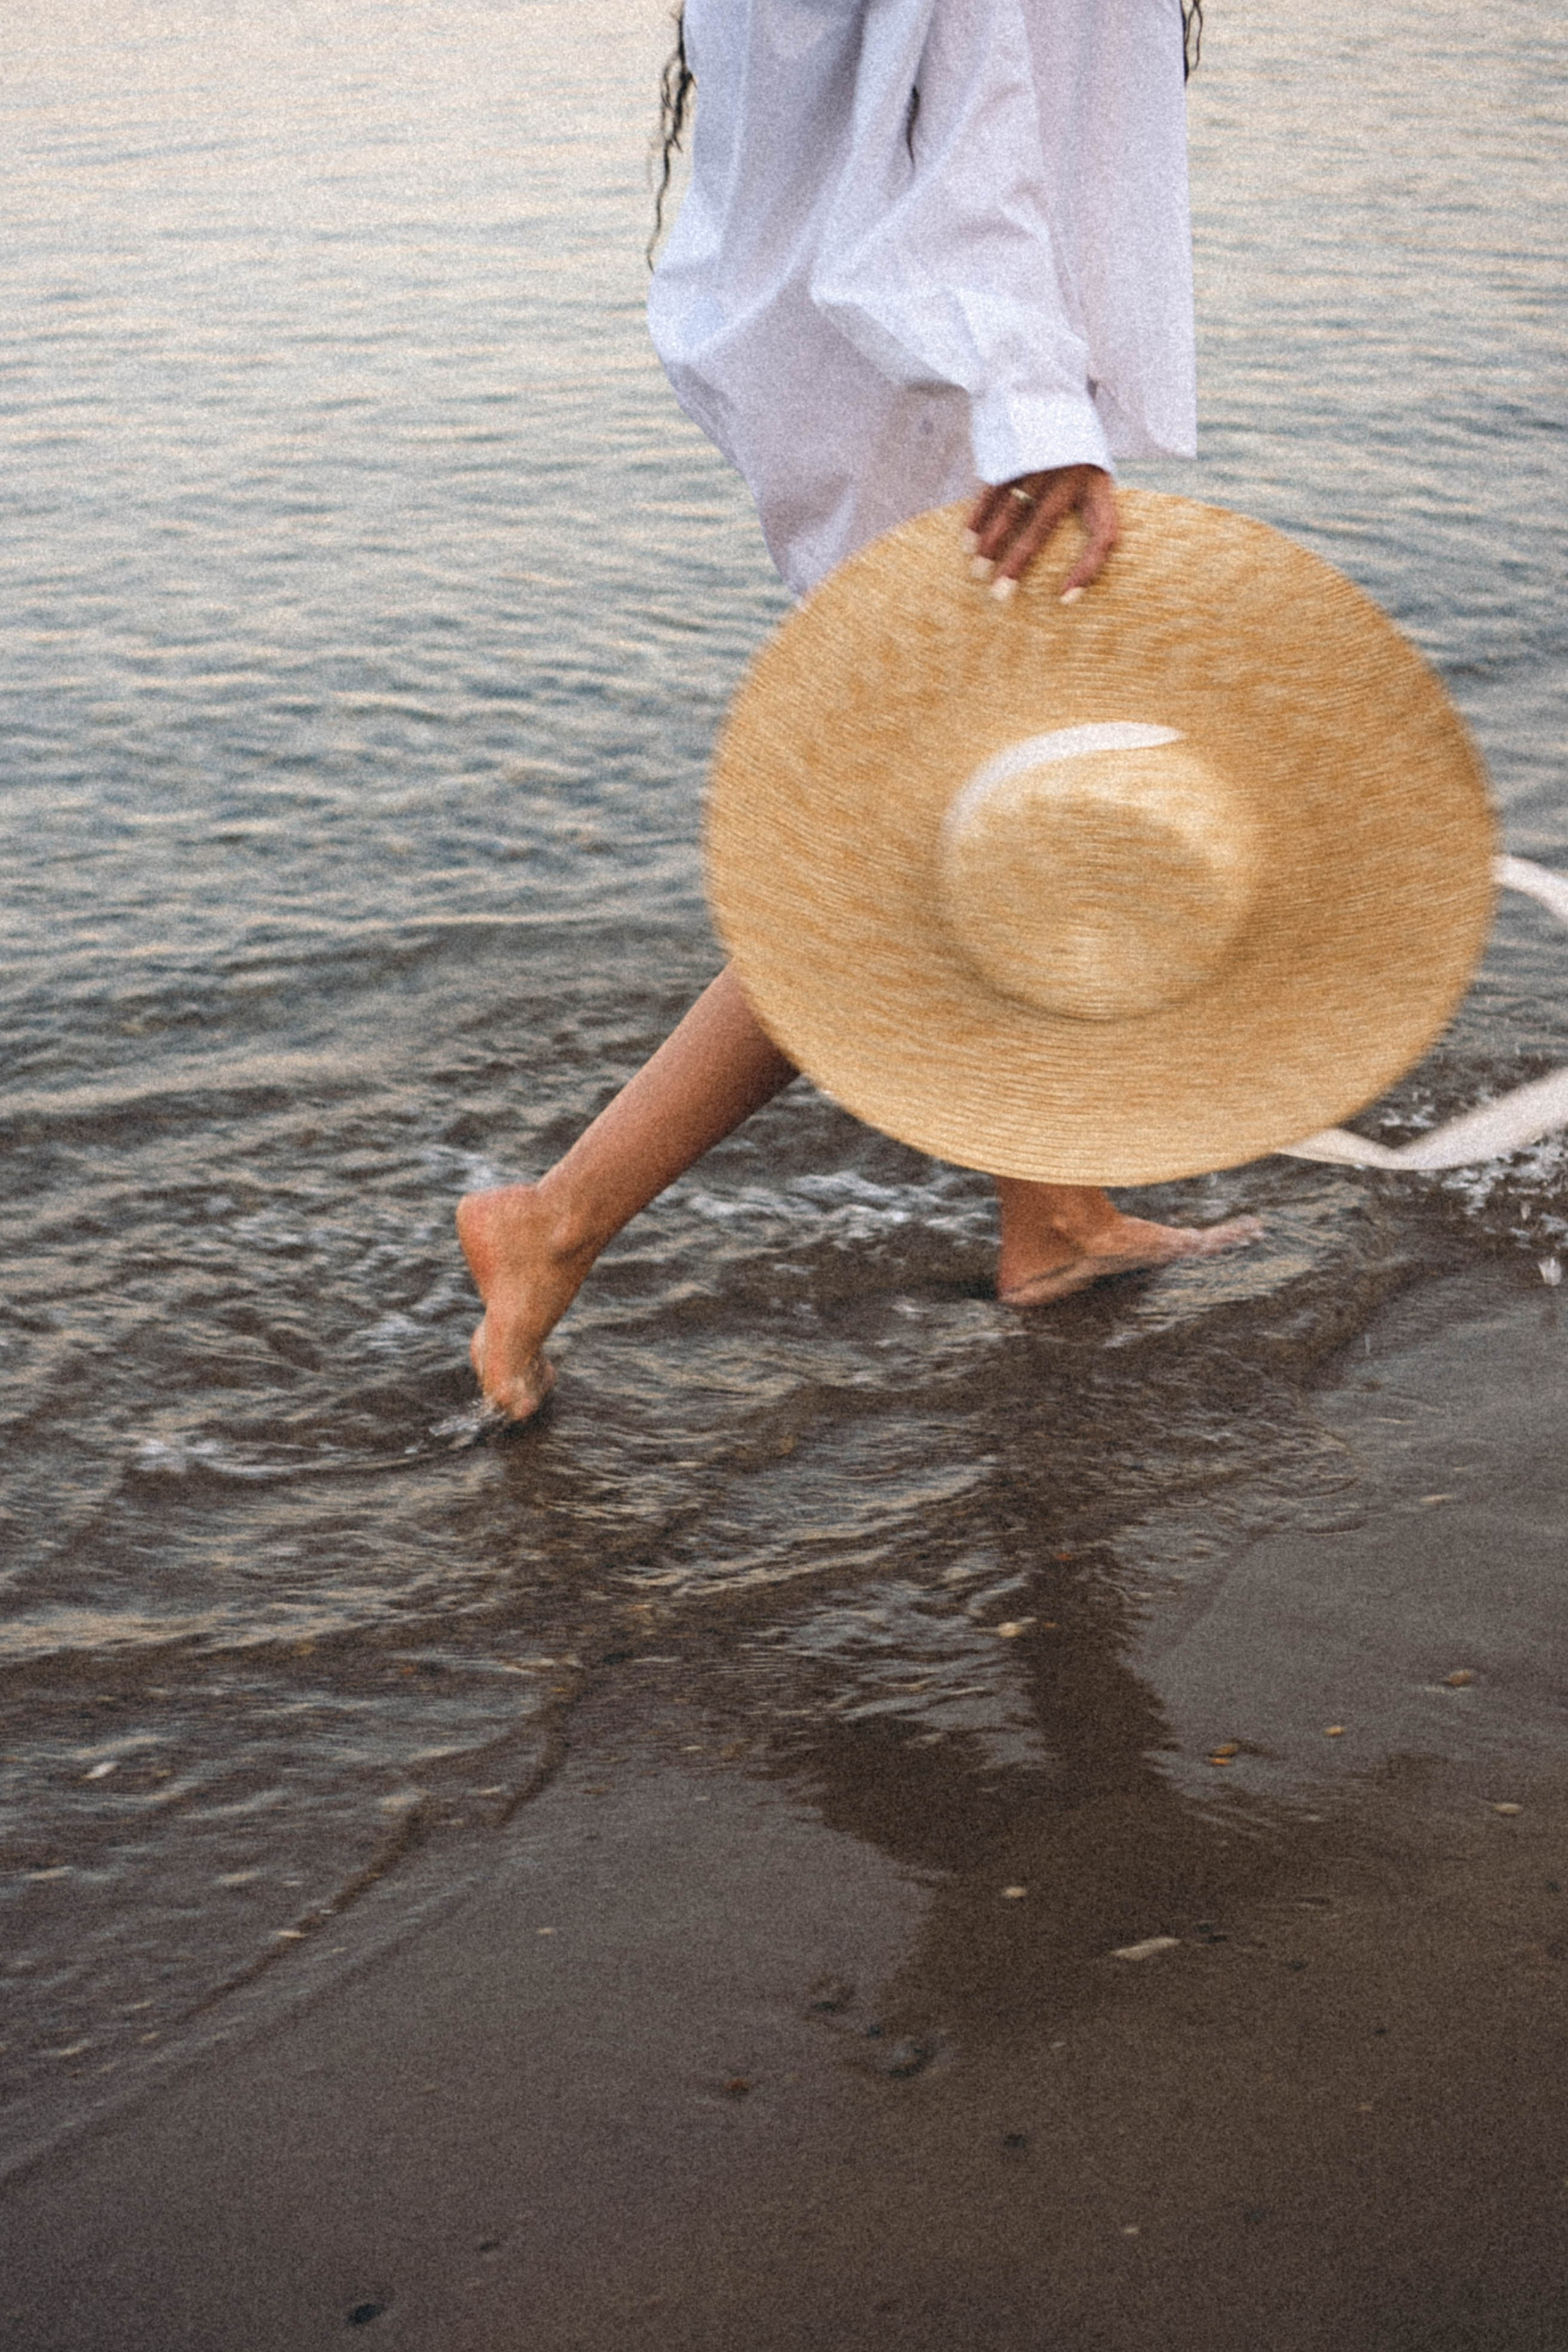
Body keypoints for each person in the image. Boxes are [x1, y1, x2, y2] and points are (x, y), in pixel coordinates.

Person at [458, 0, 1258, 1421]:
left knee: (987, 810)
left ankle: (1053, 1215)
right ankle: (559, 1219)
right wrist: (1033, 410)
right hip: (932, 375)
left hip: (854, 348)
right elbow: (970, 112)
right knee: (928, 864)